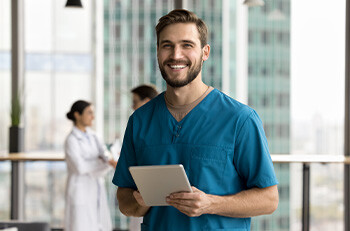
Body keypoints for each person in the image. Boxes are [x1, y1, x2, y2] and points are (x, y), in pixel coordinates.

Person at [113, 9, 279, 231]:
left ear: (205, 52)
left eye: (187, 45)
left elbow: (269, 199)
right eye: (167, 45)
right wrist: (139, 201)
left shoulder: (240, 119)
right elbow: (124, 200)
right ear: (157, 51)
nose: (176, 55)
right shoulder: (140, 121)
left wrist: (211, 203)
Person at [64, 100, 117, 231]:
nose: (92, 117)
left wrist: (105, 160)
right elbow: (80, 167)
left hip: (96, 187)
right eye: (89, 113)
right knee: (80, 225)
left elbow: (106, 156)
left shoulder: (95, 136)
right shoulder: (71, 140)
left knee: (99, 224)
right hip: (79, 190)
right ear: (77, 115)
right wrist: (103, 162)